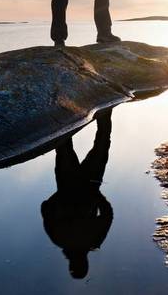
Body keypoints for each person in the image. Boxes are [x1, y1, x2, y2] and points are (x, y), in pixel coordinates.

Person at [40, 110, 114, 279]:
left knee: (99, 141)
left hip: (81, 185)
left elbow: (108, 214)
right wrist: (61, 196)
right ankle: (72, 107)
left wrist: (97, 195)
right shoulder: (60, 238)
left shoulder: (90, 240)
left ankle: (70, 107)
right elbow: (45, 207)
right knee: (68, 143)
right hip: (77, 184)